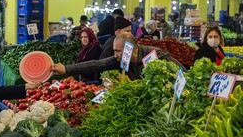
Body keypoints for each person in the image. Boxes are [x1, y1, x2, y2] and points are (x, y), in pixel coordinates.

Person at [52, 33, 183, 81]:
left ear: (129, 49)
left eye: (117, 51)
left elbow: (182, 71)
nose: (115, 55)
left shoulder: (155, 55)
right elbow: (97, 64)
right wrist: (66, 69)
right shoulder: (121, 59)